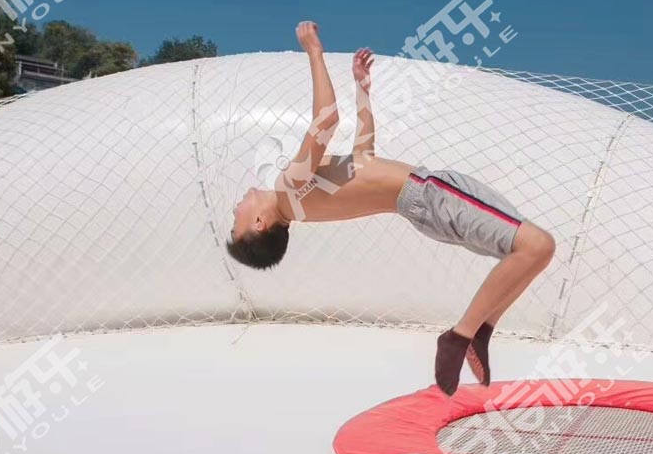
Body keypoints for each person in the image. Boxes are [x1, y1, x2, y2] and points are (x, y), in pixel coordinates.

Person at [228, 21, 555, 395]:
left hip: (423, 205)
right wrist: (314, 52)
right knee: (537, 245)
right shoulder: (288, 187)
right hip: (430, 195)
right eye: (234, 221)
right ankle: (460, 335)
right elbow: (327, 119)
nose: (235, 206)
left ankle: (481, 329)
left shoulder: (304, 205)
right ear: (259, 222)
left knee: (530, 251)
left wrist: (362, 90)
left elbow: (364, 157)